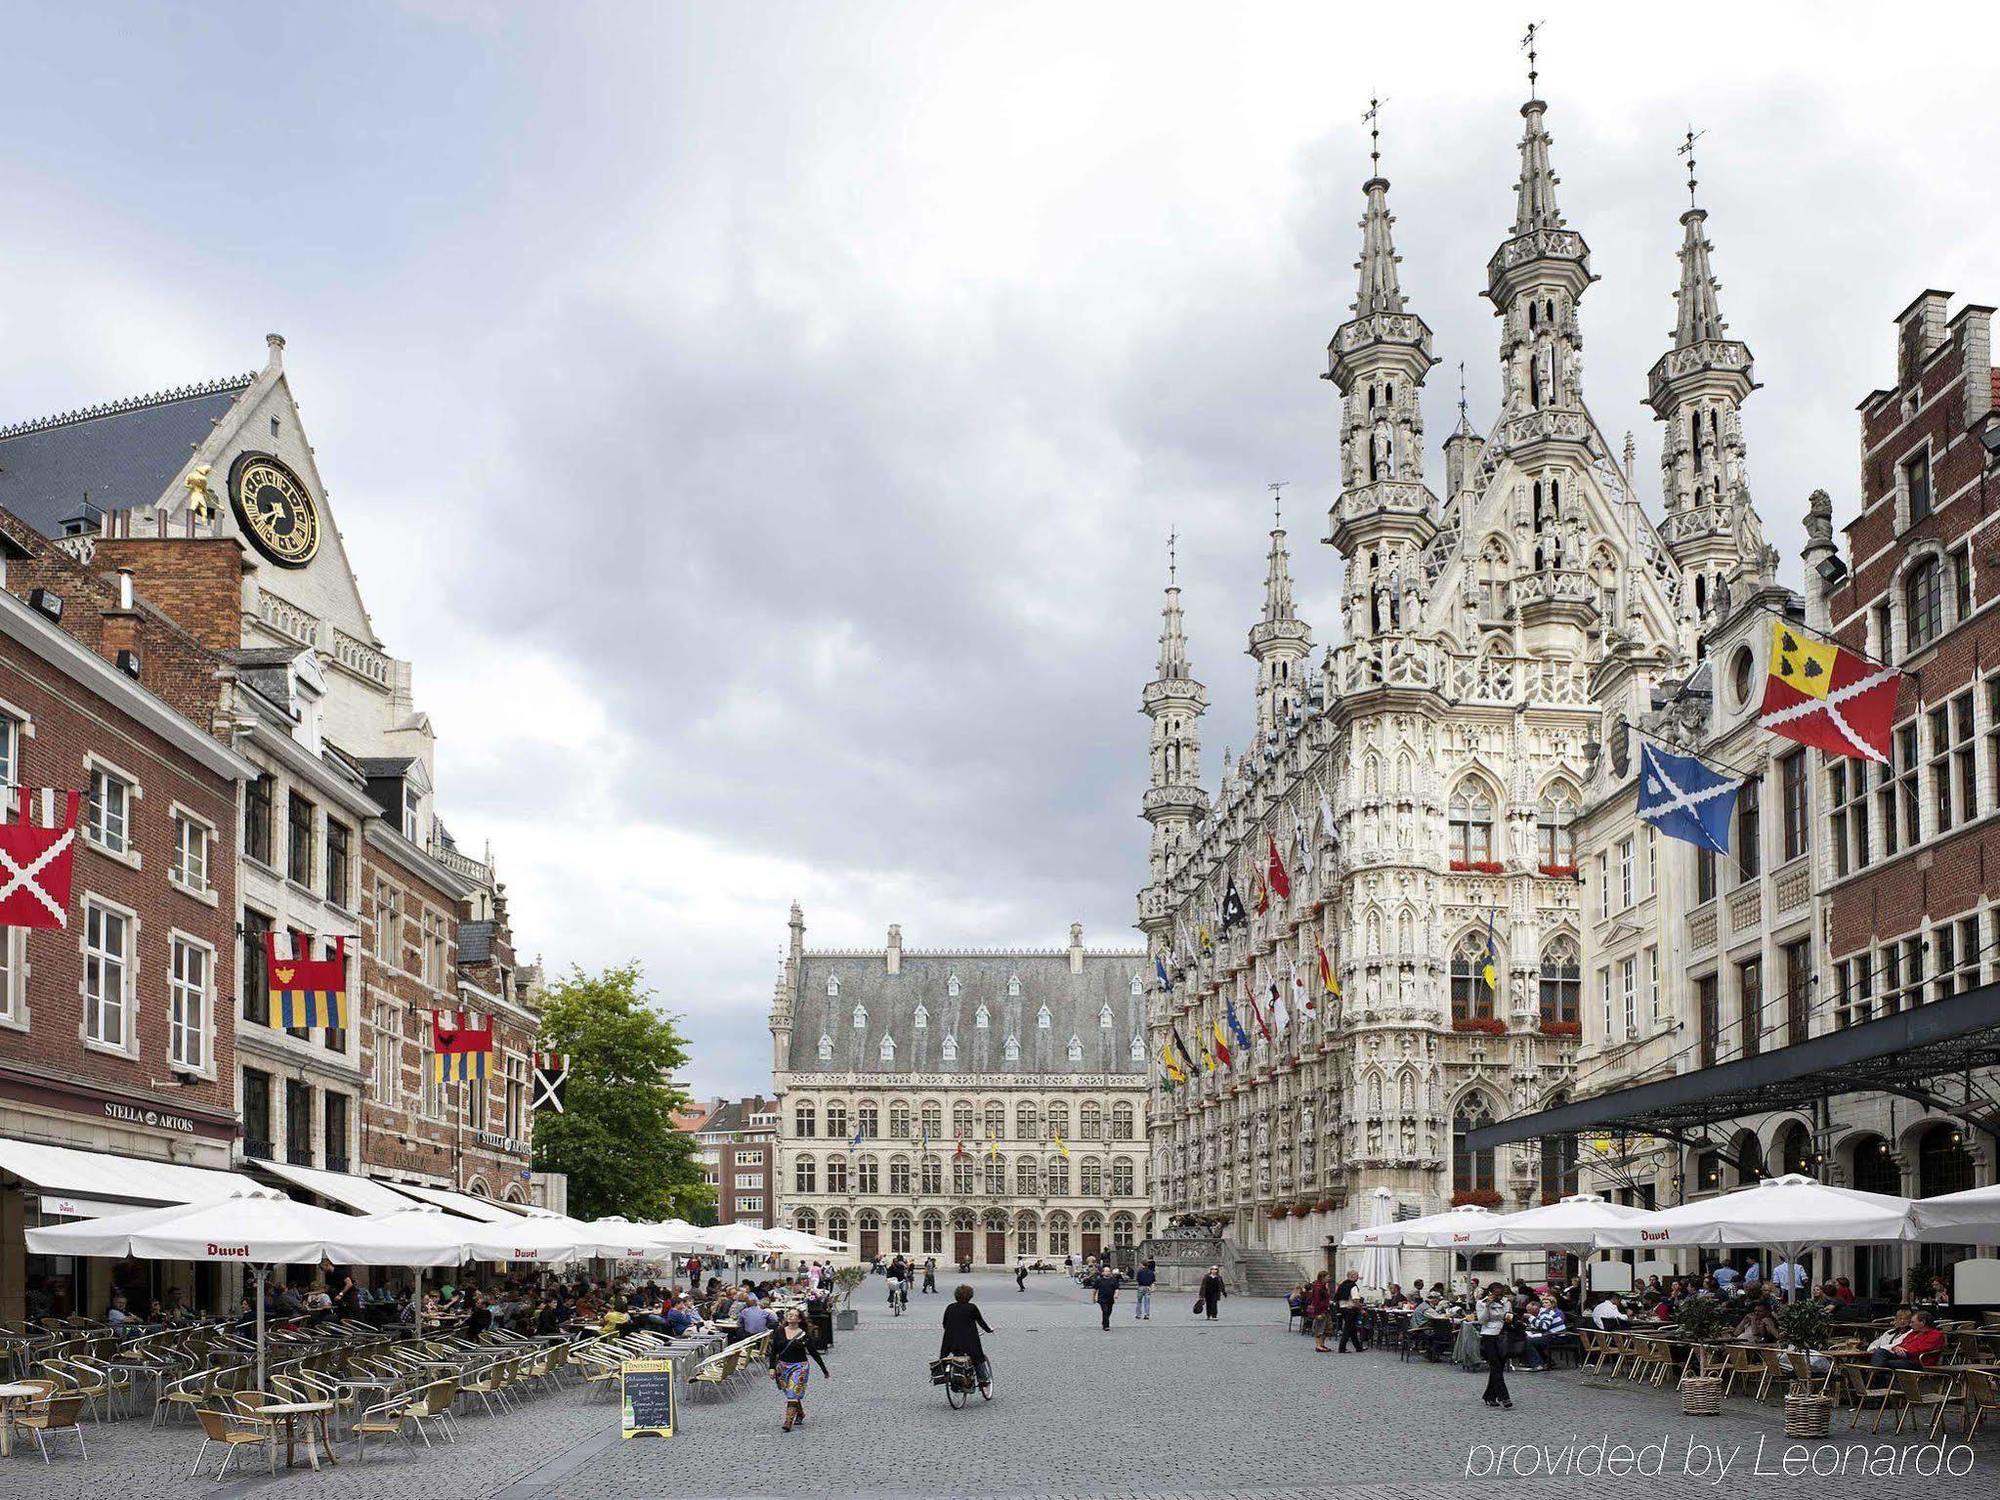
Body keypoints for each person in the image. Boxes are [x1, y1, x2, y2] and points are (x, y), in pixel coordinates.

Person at [768, 1307, 829, 1431]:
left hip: (799, 1367)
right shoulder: (779, 1331)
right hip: (783, 1367)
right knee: (791, 1392)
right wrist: (772, 1368)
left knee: (793, 1392)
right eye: (789, 1314)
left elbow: (813, 1352)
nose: (790, 1316)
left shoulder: (803, 1335)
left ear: (799, 1319)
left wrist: (824, 1369)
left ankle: (788, 1421)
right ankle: (800, 1413)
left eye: (794, 1315)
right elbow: (773, 1351)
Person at [939, 1284, 994, 1394]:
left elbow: (945, 1323)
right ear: (970, 1296)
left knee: (954, 1356)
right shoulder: (972, 1307)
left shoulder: (950, 1307)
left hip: (951, 1341)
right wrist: (989, 1330)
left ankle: (954, 1376)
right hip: (969, 1341)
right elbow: (980, 1321)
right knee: (978, 1357)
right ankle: (983, 1379)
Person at [1476, 1282, 1514, 1409]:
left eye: (1500, 1294)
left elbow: (1509, 1316)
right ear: (1490, 1293)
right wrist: (1487, 1306)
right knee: (1495, 1365)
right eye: (1496, 1294)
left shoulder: (1506, 1302)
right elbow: (1482, 1320)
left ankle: (1489, 1396)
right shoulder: (1481, 1303)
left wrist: (1509, 1316)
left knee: (1499, 1366)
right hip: (1488, 1335)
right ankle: (1504, 1396)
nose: (1498, 1297)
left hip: (1502, 1334)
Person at [1520, 1293, 1568, 1370]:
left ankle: (1537, 1364)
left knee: (1528, 1341)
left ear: (1536, 1309)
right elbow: (1539, 1326)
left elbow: (1544, 1326)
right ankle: (1547, 1361)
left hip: (1557, 1336)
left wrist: (1531, 1317)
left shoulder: (1545, 1312)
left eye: (1530, 1311)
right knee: (1531, 1340)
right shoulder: (1542, 1313)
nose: (1528, 1312)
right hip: (1552, 1335)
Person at [1335, 1269, 1365, 1353]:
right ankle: (1342, 1348)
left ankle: (1358, 1347)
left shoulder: (1342, 1285)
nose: (1358, 1277)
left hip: (1342, 1308)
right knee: (1348, 1329)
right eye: (1356, 1275)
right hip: (1350, 1309)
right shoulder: (1353, 1286)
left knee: (1352, 1329)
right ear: (1352, 1276)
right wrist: (1361, 1309)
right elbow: (1355, 1300)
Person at [1307, 1271, 1332, 1353]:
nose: (1329, 1278)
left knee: (1327, 1327)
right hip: (1320, 1310)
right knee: (1319, 1328)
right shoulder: (1318, 1287)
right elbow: (1316, 1300)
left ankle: (1322, 1344)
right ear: (1323, 1277)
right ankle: (1318, 1346)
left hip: (1325, 1309)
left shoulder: (1323, 1286)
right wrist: (1317, 1313)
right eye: (1328, 1277)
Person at [1092, 1264, 1122, 1331]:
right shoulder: (1099, 1280)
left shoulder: (1113, 1280)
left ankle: (1104, 1321)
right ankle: (1106, 1325)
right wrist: (1094, 1298)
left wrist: (1116, 1294)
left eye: (1108, 1271)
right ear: (1103, 1273)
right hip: (1102, 1298)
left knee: (1109, 1311)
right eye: (1106, 1271)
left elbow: (1117, 1288)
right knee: (1105, 1311)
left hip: (1110, 1299)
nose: (1107, 1273)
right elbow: (1095, 1290)